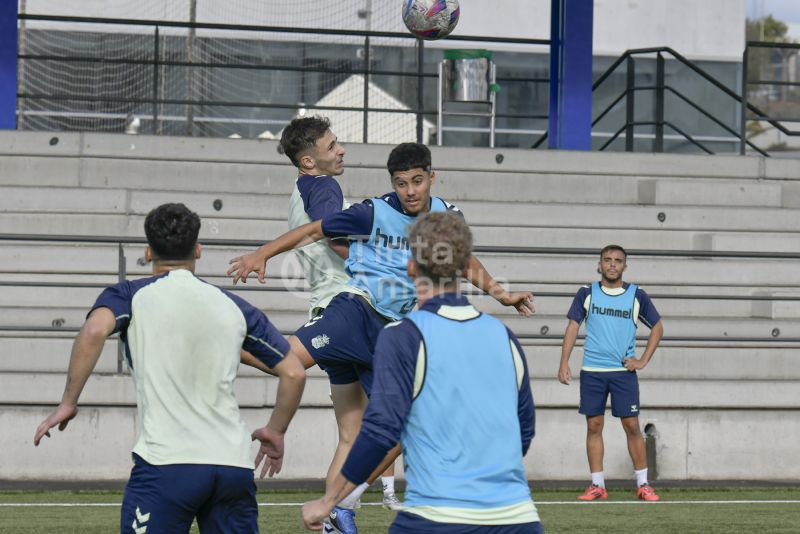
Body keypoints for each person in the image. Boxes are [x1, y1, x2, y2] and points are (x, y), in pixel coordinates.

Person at [229, 142, 534, 533]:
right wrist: (262, 254)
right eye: (402, 183)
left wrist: (500, 293)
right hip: (356, 312)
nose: (410, 191)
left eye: (417, 182)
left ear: (432, 178)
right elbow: (314, 229)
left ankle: (340, 509)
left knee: (387, 429)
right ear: (393, 183)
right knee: (287, 359)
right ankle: (222, 341)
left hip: (394, 332)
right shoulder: (373, 211)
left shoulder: (447, 216)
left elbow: (464, 260)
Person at [33, 203, 307, 533]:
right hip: (232, 466)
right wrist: (275, 430)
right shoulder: (232, 305)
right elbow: (293, 372)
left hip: (168, 465)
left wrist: (68, 403)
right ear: (199, 250)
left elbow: (93, 331)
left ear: (148, 252)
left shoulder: (129, 295)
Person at [301, 211, 543, 533]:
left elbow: (380, 432)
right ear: (463, 268)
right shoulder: (504, 337)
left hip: (437, 516)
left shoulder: (401, 336)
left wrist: (332, 500)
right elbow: (523, 431)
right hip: (517, 519)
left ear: (411, 267)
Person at [279, 115, 403, 511]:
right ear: (308, 161)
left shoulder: (299, 191)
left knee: (350, 434)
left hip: (329, 307)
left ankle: (334, 518)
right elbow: (331, 234)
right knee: (406, 423)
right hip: (353, 309)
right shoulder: (324, 186)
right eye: (332, 146)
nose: (341, 149)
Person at [557, 244, 664, 502]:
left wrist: (642, 360)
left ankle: (643, 484)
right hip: (592, 371)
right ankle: (597, 485)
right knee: (594, 425)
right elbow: (572, 327)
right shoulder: (586, 293)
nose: (612, 264)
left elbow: (658, 327)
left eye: (618, 260)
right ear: (599, 264)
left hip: (622, 372)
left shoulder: (637, 295)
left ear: (625, 266)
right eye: (607, 260)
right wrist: (564, 361)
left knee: (631, 426)